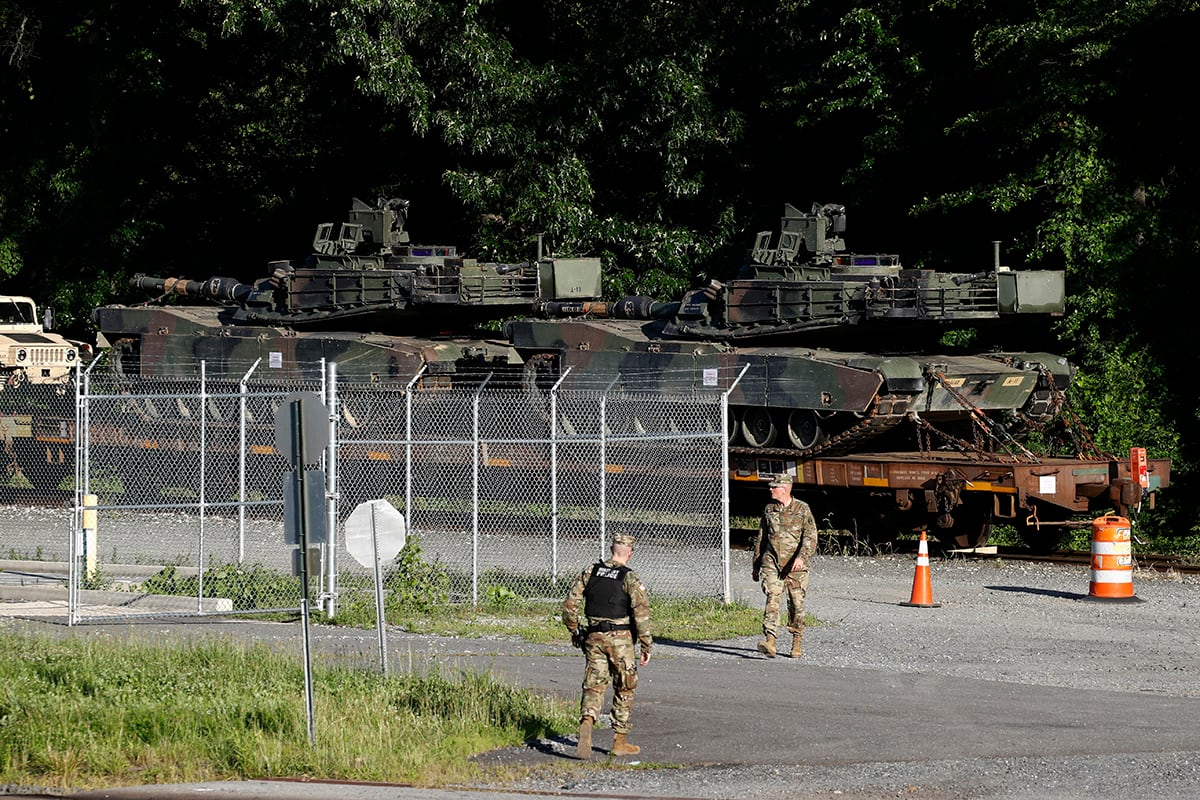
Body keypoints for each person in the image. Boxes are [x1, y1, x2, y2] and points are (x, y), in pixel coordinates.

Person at [562, 533, 652, 760]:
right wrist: (646, 645)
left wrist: (575, 631)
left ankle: (587, 721)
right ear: (630, 553)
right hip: (620, 639)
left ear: (611, 549)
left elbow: (569, 606)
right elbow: (641, 614)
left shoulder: (591, 571)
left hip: (593, 636)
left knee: (594, 685)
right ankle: (619, 741)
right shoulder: (629, 578)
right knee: (625, 686)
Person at [751, 476, 818, 659]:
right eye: (771, 487)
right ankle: (770, 640)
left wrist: (801, 558)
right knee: (772, 596)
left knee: (796, 603)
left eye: (775, 487)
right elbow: (762, 538)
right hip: (772, 561)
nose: (771, 490)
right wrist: (756, 565)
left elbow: (810, 537)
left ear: (785, 489)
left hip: (795, 565)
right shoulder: (769, 509)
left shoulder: (802, 509)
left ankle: (797, 640)